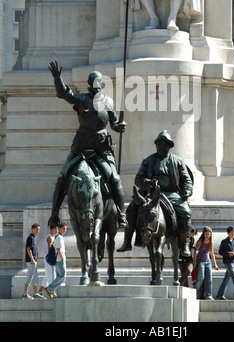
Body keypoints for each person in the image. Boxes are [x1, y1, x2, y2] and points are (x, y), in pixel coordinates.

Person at [48, 61, 127, 228]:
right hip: (81, 146)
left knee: (115, 178)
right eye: (95, 82)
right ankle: (54, 214)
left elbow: (113, 123)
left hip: (102, 147)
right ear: (90, 83)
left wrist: (118, 126)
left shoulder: (108, 102)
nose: (97, 85)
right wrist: (57, 79)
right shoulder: (82, 98)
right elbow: (65, 94)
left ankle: (121, 213)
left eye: (100, 82)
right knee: (63, 176)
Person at [117, 130, 193, 256]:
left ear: (169, 146)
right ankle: (127, 242)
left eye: (164, 145)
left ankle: (184, 245)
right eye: (159, 145)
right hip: (150, 193)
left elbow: (186, 179)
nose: (161, 147)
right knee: (131, 209)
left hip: (171, 194)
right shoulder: (148, 160)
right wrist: (147, 182)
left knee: (185, 212)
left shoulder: (178, 161)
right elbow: (138, 179)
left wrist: (187, 191)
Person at [193, 226, 219, 300]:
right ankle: (194, 293)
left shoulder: (211, 243)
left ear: (210, 234)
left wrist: (215, 264)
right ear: (203, 234)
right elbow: (196, 251)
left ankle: (208, 295)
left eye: (208, 234)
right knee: (200, 278)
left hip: (208, 262)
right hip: (201, 261)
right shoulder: (200, 241)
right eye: (206, 234)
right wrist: (195, 262)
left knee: (209, 279)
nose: (207, 236)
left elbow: (211, 254)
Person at [44, 223, 67, 298]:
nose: (65, 230)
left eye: (66, 229)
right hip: (60, 259)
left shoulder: (59, 237)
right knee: (63, 275)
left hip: (59, 259)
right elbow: (58, 249)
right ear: (60, 229)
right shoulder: (59, 237)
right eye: (63, 228)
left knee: (58, 276)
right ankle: (50, 288)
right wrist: (62, 258)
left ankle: (55, 291)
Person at [22, 223, 43, 300]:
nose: (38, 231)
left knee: (35, 277)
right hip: (31, 261)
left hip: (34, 260)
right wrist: (32, 259)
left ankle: (35, 293)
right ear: (32, 229)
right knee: (30, 276)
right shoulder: (30, 238)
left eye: (39, 229)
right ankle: (25, 293)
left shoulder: (33, 238)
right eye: (37, 229)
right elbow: (28, 249)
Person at [37, 225, 58, 299]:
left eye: (57, 229)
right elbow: (50, 249)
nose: (56, 231)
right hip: (50, 259)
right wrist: (52, 258)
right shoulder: (50, 237)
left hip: (48, 259)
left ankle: (40, 291)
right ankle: (52, 292)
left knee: (48, 275)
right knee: (52, 275)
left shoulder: (52, 237)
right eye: (55, 229)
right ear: (51, 229)